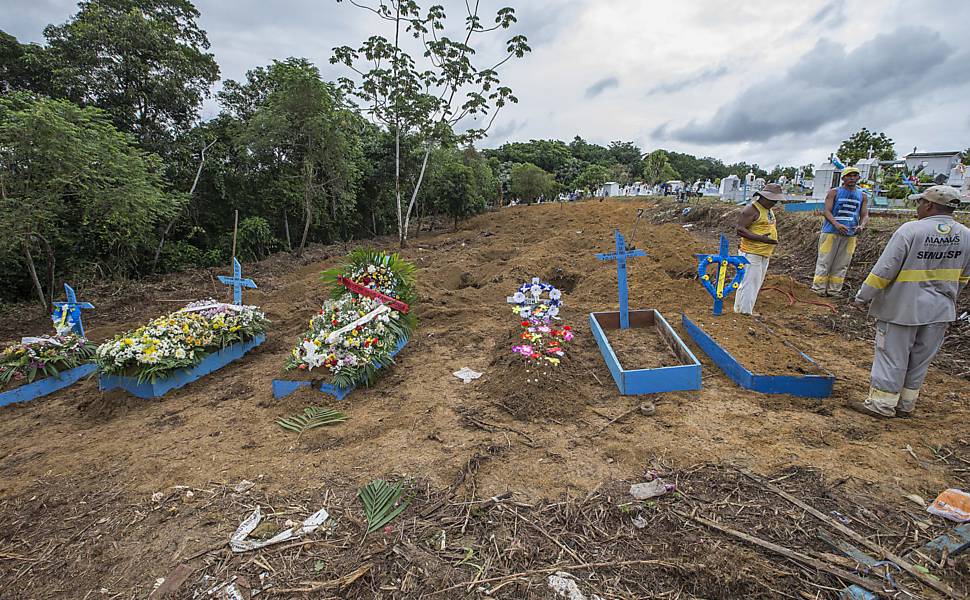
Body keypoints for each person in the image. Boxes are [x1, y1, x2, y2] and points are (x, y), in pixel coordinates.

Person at [850, 185, 969, 418]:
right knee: (920, 359)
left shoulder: (911, 230)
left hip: (903, 307)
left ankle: (881, 404)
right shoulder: (966, 235)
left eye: (920, 203)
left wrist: (864, 296)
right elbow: (964, 276)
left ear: (930, 205)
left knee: (892, 355)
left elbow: (885, 269)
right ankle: (906, 404)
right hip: (941, 309)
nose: (918, 207)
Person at [812, 166, 869, 297]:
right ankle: (818, 289)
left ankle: (834, 290)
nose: (852, 178)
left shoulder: (862, 195)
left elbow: (865, 214)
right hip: (831, 233)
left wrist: (862, 226)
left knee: (842, 264)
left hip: (850, 234)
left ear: (859, 178)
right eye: (849, 176)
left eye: (855, 175)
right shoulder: (834, 192)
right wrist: (836, 224)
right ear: (843, 178)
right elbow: (826, 211)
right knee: (825, 261)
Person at [734, 183, 784, 315]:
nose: (774, 202)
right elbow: (740, 230)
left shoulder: (768, 210)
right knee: (749, 284)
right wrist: (761, 239)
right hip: (751, 252)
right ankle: (745, 313)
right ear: (764, 197)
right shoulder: (751, 209)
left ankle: (741, 310)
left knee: (754, 284)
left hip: (763, 252)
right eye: (772, 200)